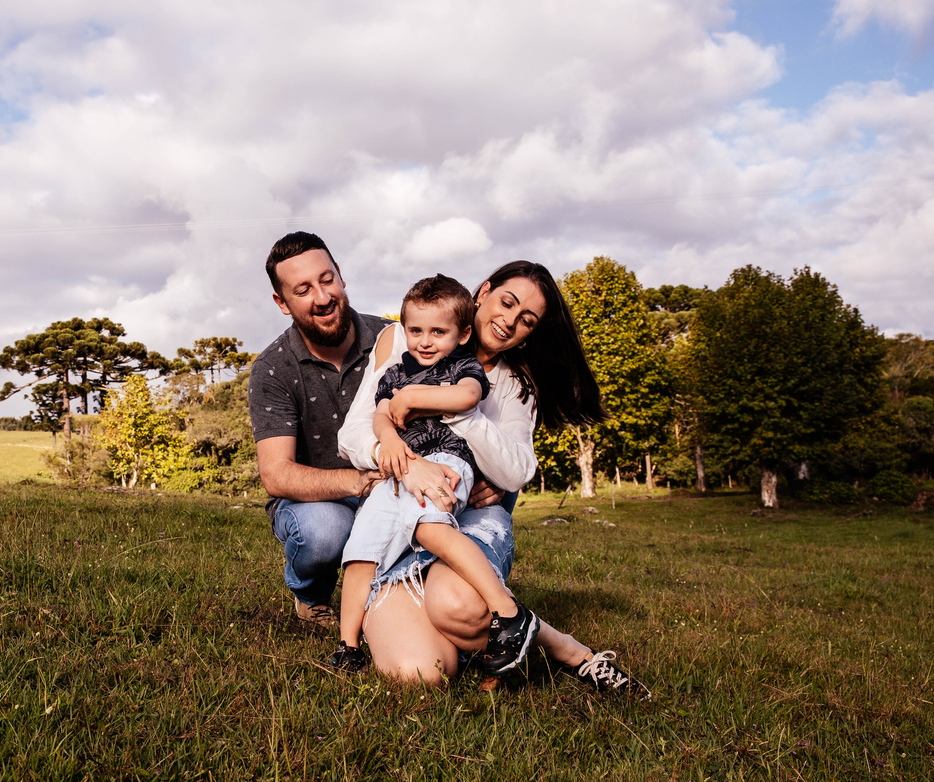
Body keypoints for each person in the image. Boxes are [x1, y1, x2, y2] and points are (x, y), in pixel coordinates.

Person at [338, 260, 648, 695]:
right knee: (420, 673)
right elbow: (353, 433)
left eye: (527, 320)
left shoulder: (516, 383)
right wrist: (410, 464)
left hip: (471, 523)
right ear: (483, 292)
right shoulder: (405, 337)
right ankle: (528, 645)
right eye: (507, 302)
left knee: (456, 604)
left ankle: (551, 646)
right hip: (397, 515)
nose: (509, 321)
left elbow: (517, 470)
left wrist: (447, 406)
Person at [331, 274, 536, 676]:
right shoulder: (396, 366)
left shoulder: (465, 366)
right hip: (398, 472)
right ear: (485, 293)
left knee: (427, 524)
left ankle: (507, 612)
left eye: (527, 319)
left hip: (448, 462)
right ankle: (347, 644)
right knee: (360, 552)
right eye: (416, 331)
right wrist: (389, 441)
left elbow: (466, 398)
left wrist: (413, 398)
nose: (425, 340)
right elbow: (376, 416)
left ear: (459, 335)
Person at [248, 232, 390, 626]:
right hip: (316, 502)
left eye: (327, 280)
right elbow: (276, 474)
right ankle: (311, 595)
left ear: (341, 277)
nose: (323, 297)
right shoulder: (272, 368)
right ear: (282, 302)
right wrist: (360, 481)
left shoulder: (393, 339)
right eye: (303, 289)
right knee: (324, 531)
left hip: (394, 486)